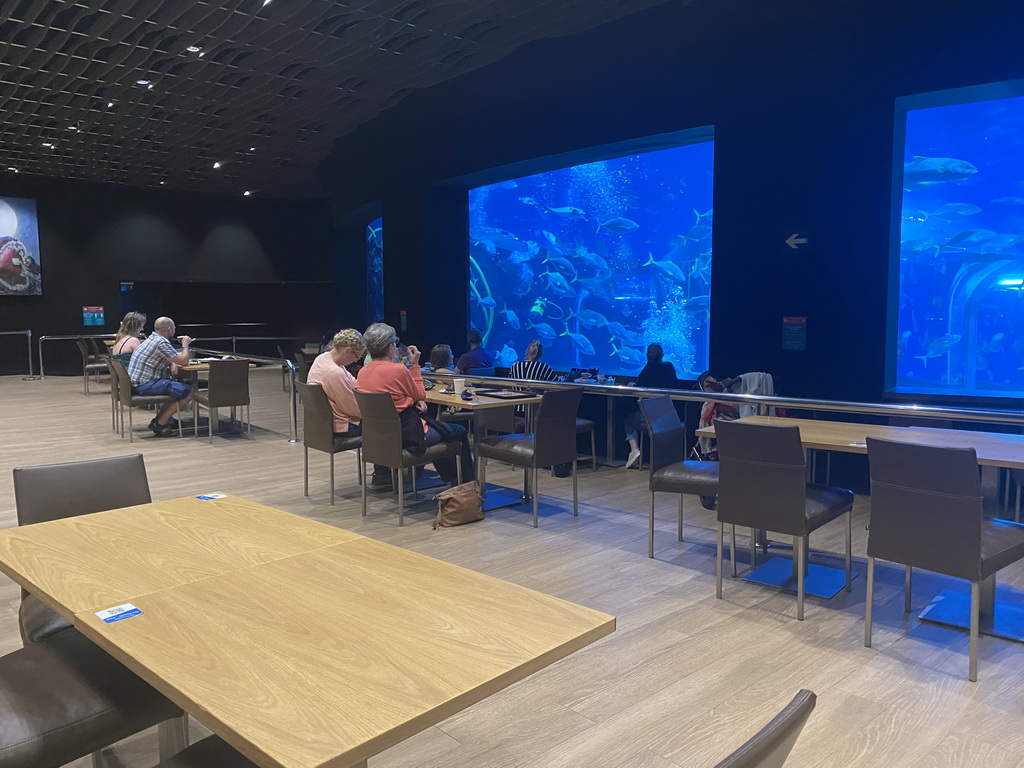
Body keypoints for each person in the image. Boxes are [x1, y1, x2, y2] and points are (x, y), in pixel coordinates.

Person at [357, 323, 475, 488]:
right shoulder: (397, 370)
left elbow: (392, 397)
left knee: (441, 429)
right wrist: (415, 365)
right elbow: (420, 394)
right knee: (458, 431)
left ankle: (453, 480)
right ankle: (467, 485)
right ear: (390, 348)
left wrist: (410, 400)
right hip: (407, 436)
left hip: (380, 437)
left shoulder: (362, 372)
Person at [126, 316, 194, 437]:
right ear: (168, 329)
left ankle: (161, 419)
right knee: (188, 391)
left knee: (177, 389)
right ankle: (161, 423)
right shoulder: (161, 342)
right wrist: (185, 345)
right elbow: (184, 361)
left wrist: (172, 362)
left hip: (137, 383)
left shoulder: (152, 339)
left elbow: (169, 356)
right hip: (145, 385)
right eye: (173, 328)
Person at [623, 343, 679, 468]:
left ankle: (634, 450)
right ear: (662, 355)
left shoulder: (649, 368)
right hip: (670, 415)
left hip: (652, 417)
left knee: (628, 420)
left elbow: (640, 387)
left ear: (647, 355)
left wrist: (632, 385)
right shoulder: (669, 367)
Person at [307, 329, 366, 436]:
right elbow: (353, 408)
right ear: (347, 351)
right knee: (382, 424)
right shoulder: (335, 373)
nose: (355, 361)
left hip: (321, 423)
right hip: (339, 426)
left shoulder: (322, 358)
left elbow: (353, 382)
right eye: (356, 357)